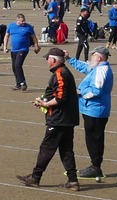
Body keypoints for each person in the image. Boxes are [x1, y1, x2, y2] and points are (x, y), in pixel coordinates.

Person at [19, 47, 81, 190]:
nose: (47, 61)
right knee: (66, 150)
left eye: (48, 59)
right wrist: (43, 100)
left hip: (59, 119)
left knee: (47, 148)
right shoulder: (62, 72)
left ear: (53, 60)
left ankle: (35, 177)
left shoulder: (60, 73)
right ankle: (73, 180)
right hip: (66, 118)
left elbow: (60, 97)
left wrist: (45, 104)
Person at [67, 46, 114, 182]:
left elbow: (96, 91)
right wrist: (69, 59)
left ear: (98, 58)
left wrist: (79, 92)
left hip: (96, 110)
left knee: (94, 139)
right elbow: (84, 67)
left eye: (92, 55)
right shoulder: (97, 67)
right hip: (91, 109)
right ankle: (95, 165)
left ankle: (95, 167)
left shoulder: (101, 70)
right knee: (92, 138)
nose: (90, 58)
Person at [6, 13, 38, 90]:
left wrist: (36, 45)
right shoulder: (11, 26)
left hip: (23, 49)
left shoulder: (28, 27)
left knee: (18, 65)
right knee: (14, 67)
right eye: (22, 21)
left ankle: (23, 82)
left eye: (24, 20)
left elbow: (34, 37)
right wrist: (5, 47)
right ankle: (18, 83)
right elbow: (6, 36)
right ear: (17, 20)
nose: (23, 22)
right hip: (13, 49)